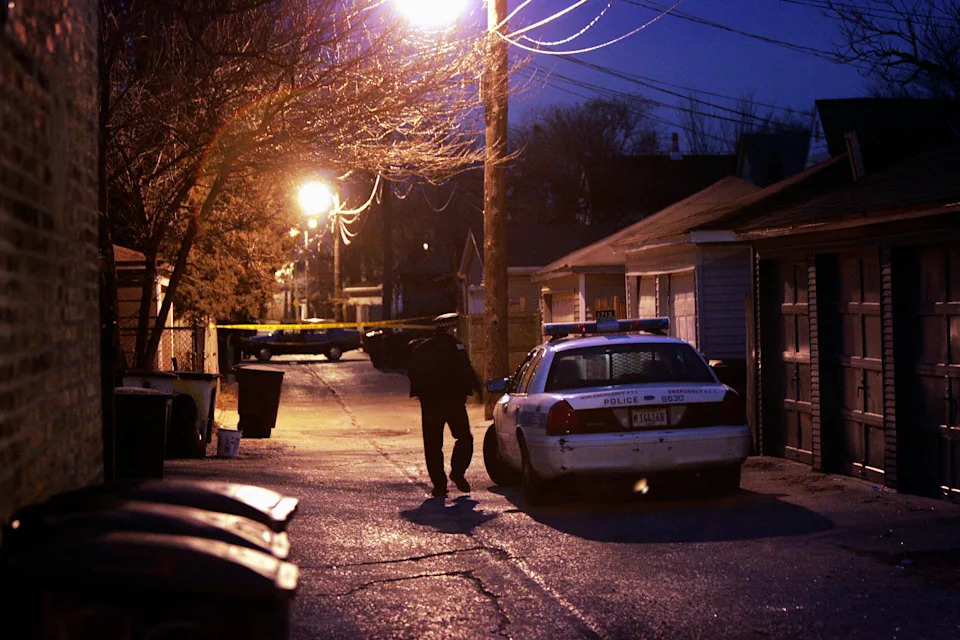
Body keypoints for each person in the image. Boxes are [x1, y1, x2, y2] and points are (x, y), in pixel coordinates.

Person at [407, 312, 483, 497]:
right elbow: (466, 369)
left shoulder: (422, 348)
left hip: (430, 404)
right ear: (451, 328)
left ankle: (439, 485)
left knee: (433, 445)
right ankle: (457, 472)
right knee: (464, 438)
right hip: (454, 402)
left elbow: (412, 373)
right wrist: (476, 389)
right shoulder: (456, 346)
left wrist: (421, 394)